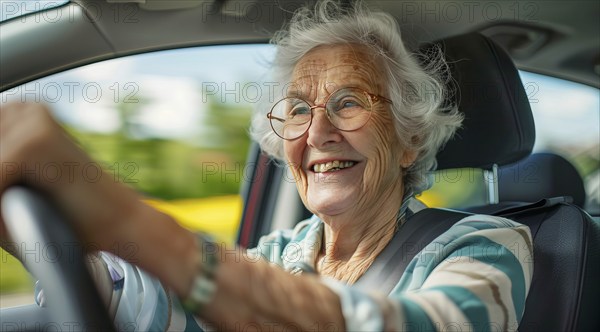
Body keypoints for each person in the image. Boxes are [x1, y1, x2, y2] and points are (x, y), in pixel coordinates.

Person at [0, 0, 533, 330]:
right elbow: (164, 312)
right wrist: (47, 234)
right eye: (298, 109)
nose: (318, 132)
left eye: (348, 102)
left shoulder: (487, 243)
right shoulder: (281, 252)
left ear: (410, 139)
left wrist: (130, 221)